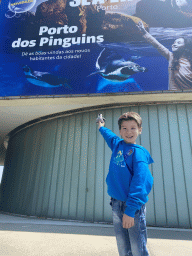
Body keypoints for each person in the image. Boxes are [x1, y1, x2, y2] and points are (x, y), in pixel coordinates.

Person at [97, 112, 154, 256]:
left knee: (137, 247)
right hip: (116, 203)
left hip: (132, 207)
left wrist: (130, 210)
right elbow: (108, 134)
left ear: (140, 130)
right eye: (124, 128)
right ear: (120, 131)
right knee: (122, 245)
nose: (129, 132)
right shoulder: (117, 145)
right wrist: (101, 126)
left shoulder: (139, 154)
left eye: (133, 128)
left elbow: (140, 184)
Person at [136, 21, 192, 91]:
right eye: (174, 42)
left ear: (185, 46)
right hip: (173, 97)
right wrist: (144, 32)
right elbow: (157, 45)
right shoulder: (171, 57)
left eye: (179, 43)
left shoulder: (190, 60)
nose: (174, 44)